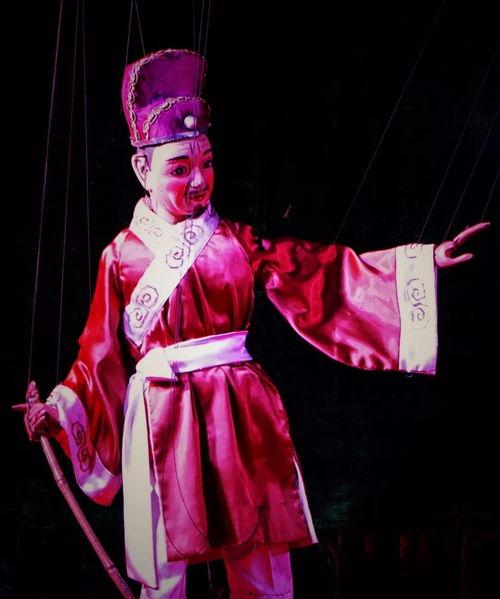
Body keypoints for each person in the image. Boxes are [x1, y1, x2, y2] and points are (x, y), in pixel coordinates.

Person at [17, 49, 490, 599]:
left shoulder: (237, 241)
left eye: (207, 163)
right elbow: (99, 352)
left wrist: (424, 261)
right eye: (180, 169)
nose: (200, 180)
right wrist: (61, 410)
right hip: (159, 410)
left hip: (239, 410)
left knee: (260, 553)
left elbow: (321, 274)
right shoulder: (120, 256)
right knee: (162, 567)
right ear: (142, 171)